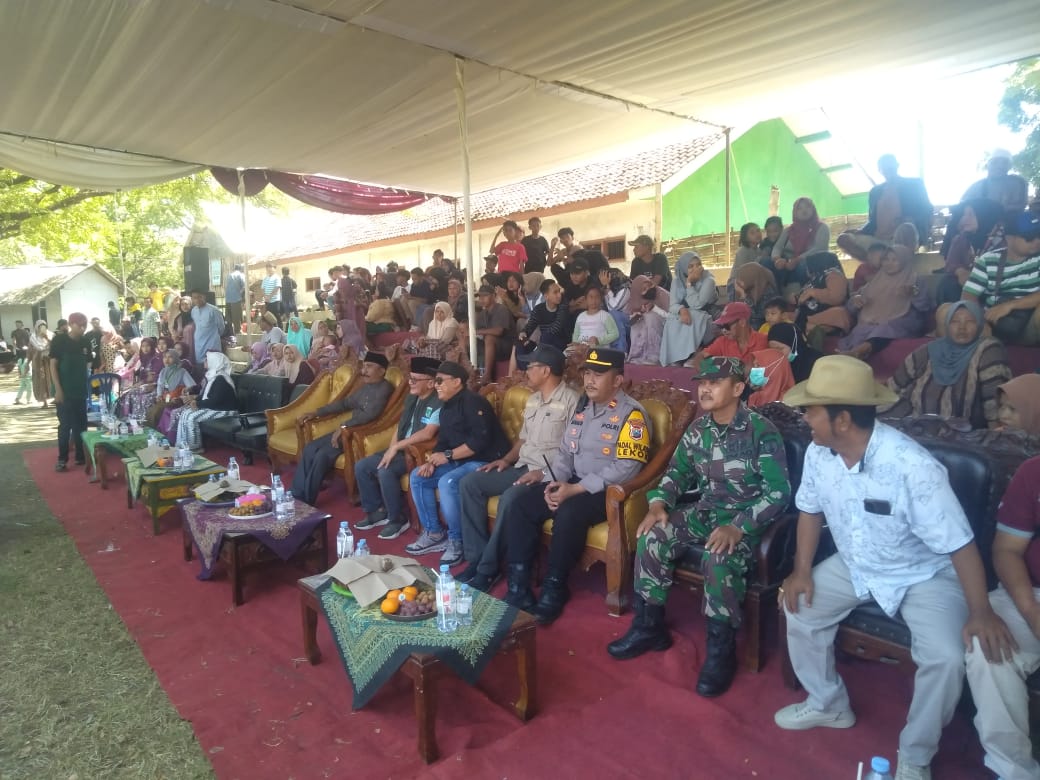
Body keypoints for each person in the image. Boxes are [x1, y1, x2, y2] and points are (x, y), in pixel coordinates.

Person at [774, 355, 1013, 780]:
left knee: (945, 657)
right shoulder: (819, 452)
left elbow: (959, 543)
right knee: (800, 607)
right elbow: (809, 510)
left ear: (842, 419)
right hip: (856, 564)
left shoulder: (912, 467)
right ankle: (828, 703)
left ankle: (915, 754)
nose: (804, 418)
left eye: (811, 410)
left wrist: (980, 611)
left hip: (923, 574)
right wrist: (802, 570)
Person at [608, 356, 790, 696]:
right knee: (653, 535)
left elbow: (779, 492)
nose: (704, 389)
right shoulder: (698, 430)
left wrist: (739, 526)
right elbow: (678, 473)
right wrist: (659, 503)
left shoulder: (760, 431)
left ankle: (721, 652)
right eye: (702, 383)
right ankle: (649, 626)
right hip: (706, 512)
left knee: (719, 557)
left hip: (746, 521)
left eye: (714, 383)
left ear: (737, 388)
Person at [499, 348, 650, 624]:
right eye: (587, 373)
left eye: (598, 375)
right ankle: (519, 585)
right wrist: (552, 481)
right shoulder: (582, 409)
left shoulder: (632, 415)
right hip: (572, 483)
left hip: (606, 492)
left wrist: (575, 490)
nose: (589, 380)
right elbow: (565, 455)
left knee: (569, 511)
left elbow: (627, 467)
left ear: (617, 380)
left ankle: (555, 586)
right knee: (521, 502)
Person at [457, 345, 580, 590]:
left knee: (511, 498)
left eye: (531, 367)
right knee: (470, 483)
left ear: (545, 371)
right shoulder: (533, 400)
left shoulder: (572, 401)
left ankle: (488, 569)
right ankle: (477, 557)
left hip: (547, 474)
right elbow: (523, 440)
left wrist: (543, 474)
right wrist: (505, 460)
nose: (525, 371)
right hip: (522, 465)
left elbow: (574, 452)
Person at [966, 455, 1040, 780]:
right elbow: (1007, 549)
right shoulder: (1034, 471)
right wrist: (1032, 612)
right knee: (987, 646)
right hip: (1031, 592)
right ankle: (1014, 771)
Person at [404, 361, 510, 566]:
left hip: (484, 461)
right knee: (418, 476)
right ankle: (434, 532)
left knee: (448, 482)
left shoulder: (474, 403)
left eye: (440, 381)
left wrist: (448, 455)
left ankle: (457, 540)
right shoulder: (446, 407)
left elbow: (479, 442)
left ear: (457, 382)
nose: (436, 385)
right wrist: (432, 461)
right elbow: (443, 441)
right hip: (459, 460)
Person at [881, 301, 1011, 429]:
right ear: (947, 325)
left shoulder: (988, 349)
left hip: (963, 432)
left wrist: (995, 434)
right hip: (916, 423)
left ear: (979, 325)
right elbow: (894, 385)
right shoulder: (929, 349)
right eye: (955, 321)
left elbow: (992, 399)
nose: (962, 327)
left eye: (970, 321)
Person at [353, 357, 443, 541]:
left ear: (431, 383)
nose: (410, 383)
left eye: (415, 379)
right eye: (410, 378)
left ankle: (398, 519)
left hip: (417, 453)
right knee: (362, 466)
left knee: (385, 470)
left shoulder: (438, 402)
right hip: (401, 448)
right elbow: (400, 426)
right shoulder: (412, 397)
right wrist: (391, 448)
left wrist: (396, 448)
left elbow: (428, 433)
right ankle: (377, 511)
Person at [291, 352, 394, 505]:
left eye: (369, 367)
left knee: (322, 456)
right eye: (364, 366)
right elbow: (345, 403)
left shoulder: (384, 388)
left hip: (360, 433)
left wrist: (344, 426)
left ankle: (306, 501)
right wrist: (317, 412)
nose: (364, 370)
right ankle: (296, 494)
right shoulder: (366, 386)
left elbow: (370, 415)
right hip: (347, 429)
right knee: (310, 448)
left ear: (382, 371)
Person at [960, 211, 1040, 345]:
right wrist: (981, 322)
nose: (1037, 241)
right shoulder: (988, 260)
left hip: (1030, 326)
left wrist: (1010, 306)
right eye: (1029, 237)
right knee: (945, 311)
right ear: (1009, 238)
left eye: (1039, 235)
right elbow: (968, 296)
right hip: (995, 323)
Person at [838, 245, 929, 361]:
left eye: (895, 260)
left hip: (905, 319)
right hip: (874, 320)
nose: (889, 263)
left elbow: (925, 307)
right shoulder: (876, 280)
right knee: (863, 329)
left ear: (904, 260)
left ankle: (859, 351)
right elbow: (852, 305)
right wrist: (856, 300)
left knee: (886, 327)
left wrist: (913, 293)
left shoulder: (915, 280)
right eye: (886, 259)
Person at [836, 154, 933, 262]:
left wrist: (909, 219)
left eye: (890, 166)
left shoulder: (914, 184)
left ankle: (898, 262)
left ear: (897, 165)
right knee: (843, 239)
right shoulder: (875, 192)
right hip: (877, 240)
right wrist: (861, 231)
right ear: (880, 170)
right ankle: (874, 264)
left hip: (904, 236)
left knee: (906, 228)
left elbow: (927, 210)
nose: (888, 170)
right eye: (884, 167)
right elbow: (873, 221)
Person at [936, 199, 1005, 305]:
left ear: (984, 216)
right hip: (967, 286)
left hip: (992, 288)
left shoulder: (1002, 242)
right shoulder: (962, 238)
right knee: (948, 284)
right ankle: (957, 314)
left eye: (971, 214)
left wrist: (977, 278)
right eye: (964, 214)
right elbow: (951, 263)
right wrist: (961, 272)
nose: (965, 219)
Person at [49, 313, 92, 471]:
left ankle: (81, 456)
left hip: (80, 390)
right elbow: (53, 365)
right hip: (64, 391)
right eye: (79, 325)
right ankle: (62, 459)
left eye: (84, 325)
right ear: (70, 324)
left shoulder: (86, 342)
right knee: (65, 426)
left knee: (81, 425)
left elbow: (88, 364)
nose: (82, 328)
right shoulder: (59, 340)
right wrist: (58, 390)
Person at [660, 251, 718, 366]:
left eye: (698, 265)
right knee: (672, 318)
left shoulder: (709, 280)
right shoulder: (677, 281)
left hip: (708, 317)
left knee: (694, 316)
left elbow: (697, 305)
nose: (695, 269)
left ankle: (691, 355)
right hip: (690, 313)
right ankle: (675, 357)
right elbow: (672, 305)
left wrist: (689, 284)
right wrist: (682, 309)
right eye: (690, 266)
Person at [761, 198, 831, 290]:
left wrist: (797, 260)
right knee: (765, 262)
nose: (804, 210)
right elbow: (777, 247)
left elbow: (820, 248)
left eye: (807, 207)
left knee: (803, 265)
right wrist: (777, 259)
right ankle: (776, 294)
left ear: (813, 209)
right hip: (788, 267)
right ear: (795, 212)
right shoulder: (789, 231)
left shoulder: (822, 228)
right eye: (799, 208)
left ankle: (806, 295)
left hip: (809, 266)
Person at [175, 352, 238, 451]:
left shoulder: (221, 379)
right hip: (215, 408)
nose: (204, 361)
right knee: (185, 413)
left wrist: (198, 404)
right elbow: (206, 395)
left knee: (192, 417)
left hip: (225, 411)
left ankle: (195, 447)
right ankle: (183, 445)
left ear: (214, 362)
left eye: (207, 360)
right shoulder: (213, 376)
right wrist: (194, 400)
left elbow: (215, 400)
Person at [695, 302, 769, 366]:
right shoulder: (722, 341)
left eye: (726, 326)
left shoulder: (762, 340)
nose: (724, 330)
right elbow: (700, 357)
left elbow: (751, 369)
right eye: (721, 326)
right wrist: (709, 372)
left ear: (742, 322)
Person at [961, 148, 1030, 214]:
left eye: (1005, 163)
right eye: (994, 162)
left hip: (1010, 220)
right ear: (988, 165)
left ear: (1009, 166)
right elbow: (962, 206)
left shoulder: (1018, 183)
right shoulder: (976, 186)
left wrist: (999, 208)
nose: (1000, 166)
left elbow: (1022, 204)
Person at [474, 284, 515, 381]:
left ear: (493, 296)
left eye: (485, 295)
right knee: (466, 339)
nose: (481, 299)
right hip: (490, 346)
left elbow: (499, 331)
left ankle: (487, 375)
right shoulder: (482, 313)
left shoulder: (501, 309)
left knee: (489, 337)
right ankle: (469, 373)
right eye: (480, 296)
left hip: (506, 345)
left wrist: (477, 332)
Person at [626, 274, 669, 365]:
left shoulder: (662, 294)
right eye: (644, 289)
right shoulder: (637, 299)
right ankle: (637, 356)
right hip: (647, 326)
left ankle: (655, 356)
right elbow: (631, 320)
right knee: (637, 323)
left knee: (650, 316)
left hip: (666, 326)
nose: (649, 289)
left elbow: (673, 317)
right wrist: (637, 314)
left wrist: (654, 308)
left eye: (649, 285)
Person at [519, 280, 569, 351]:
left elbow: (556, 327)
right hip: (545, 343)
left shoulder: (563, 306)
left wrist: (540, 342)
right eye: (555, 292)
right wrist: (524, 332)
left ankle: (539, 353)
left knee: (546, 337)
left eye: (559, 291)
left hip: (561, 343)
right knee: (519, 343)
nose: (559, 295)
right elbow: (530, 325)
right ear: (546, 296)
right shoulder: (539, 309)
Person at [731, 261, 779, 329]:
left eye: (742, 278)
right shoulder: (749, 288)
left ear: (751, 278)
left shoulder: (768, 293)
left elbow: (756, 319)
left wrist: (744, 297)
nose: (738, 281)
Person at [727, 222, 764, 296]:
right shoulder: (743, 251)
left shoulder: (759, 251)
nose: (757, 234)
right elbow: (743, 271)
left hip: (751, 283)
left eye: (758, 230)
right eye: (752, 233)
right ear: (745, 238)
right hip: (736, 284)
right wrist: (760, 258)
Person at [190, 289, 224, 365]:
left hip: (212, 344)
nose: (197, 299)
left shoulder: (214, 310)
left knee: (214, 366)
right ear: (192, 299)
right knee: (200, 367)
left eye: (199, 297)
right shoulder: (193, 311)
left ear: (204, 297)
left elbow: (221, 327)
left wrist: (215, 337)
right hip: (198, 345)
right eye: (194, 298)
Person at [29, 320, 52, 408]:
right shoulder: (33, 337)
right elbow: (37, 348)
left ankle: (54, 398)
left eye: (44, 326)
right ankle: (44, 401)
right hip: (38, 362)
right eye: (40, 326)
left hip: (49, 361)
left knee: (51, 380)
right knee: (41, 381)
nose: (42, 328)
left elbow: (54, 346)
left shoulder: (50, 335)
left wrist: (47, 338)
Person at [225, 263, 246, 337]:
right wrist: (240, 294)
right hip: (236, 299)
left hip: (228, 299)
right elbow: (244, 287)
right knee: (236, 317)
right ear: (241, 269)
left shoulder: (229, 275)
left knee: (228, 318)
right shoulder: (241, 275)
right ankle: (238, 333)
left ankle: (230, 333)